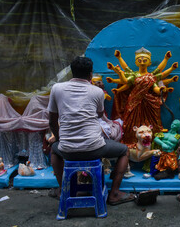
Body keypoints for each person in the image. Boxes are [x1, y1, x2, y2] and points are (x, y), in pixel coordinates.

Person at [48, 56, 134, 205]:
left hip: (67, 149)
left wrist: (58, 138)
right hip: (95, 148)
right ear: (90, 75)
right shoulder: (97, 91)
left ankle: (63, 189)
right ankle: (114, 194)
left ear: (72, 73)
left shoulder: (57, 88)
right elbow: (100, 114)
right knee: (124, 150)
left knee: (55, 150)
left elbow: (52, 120)